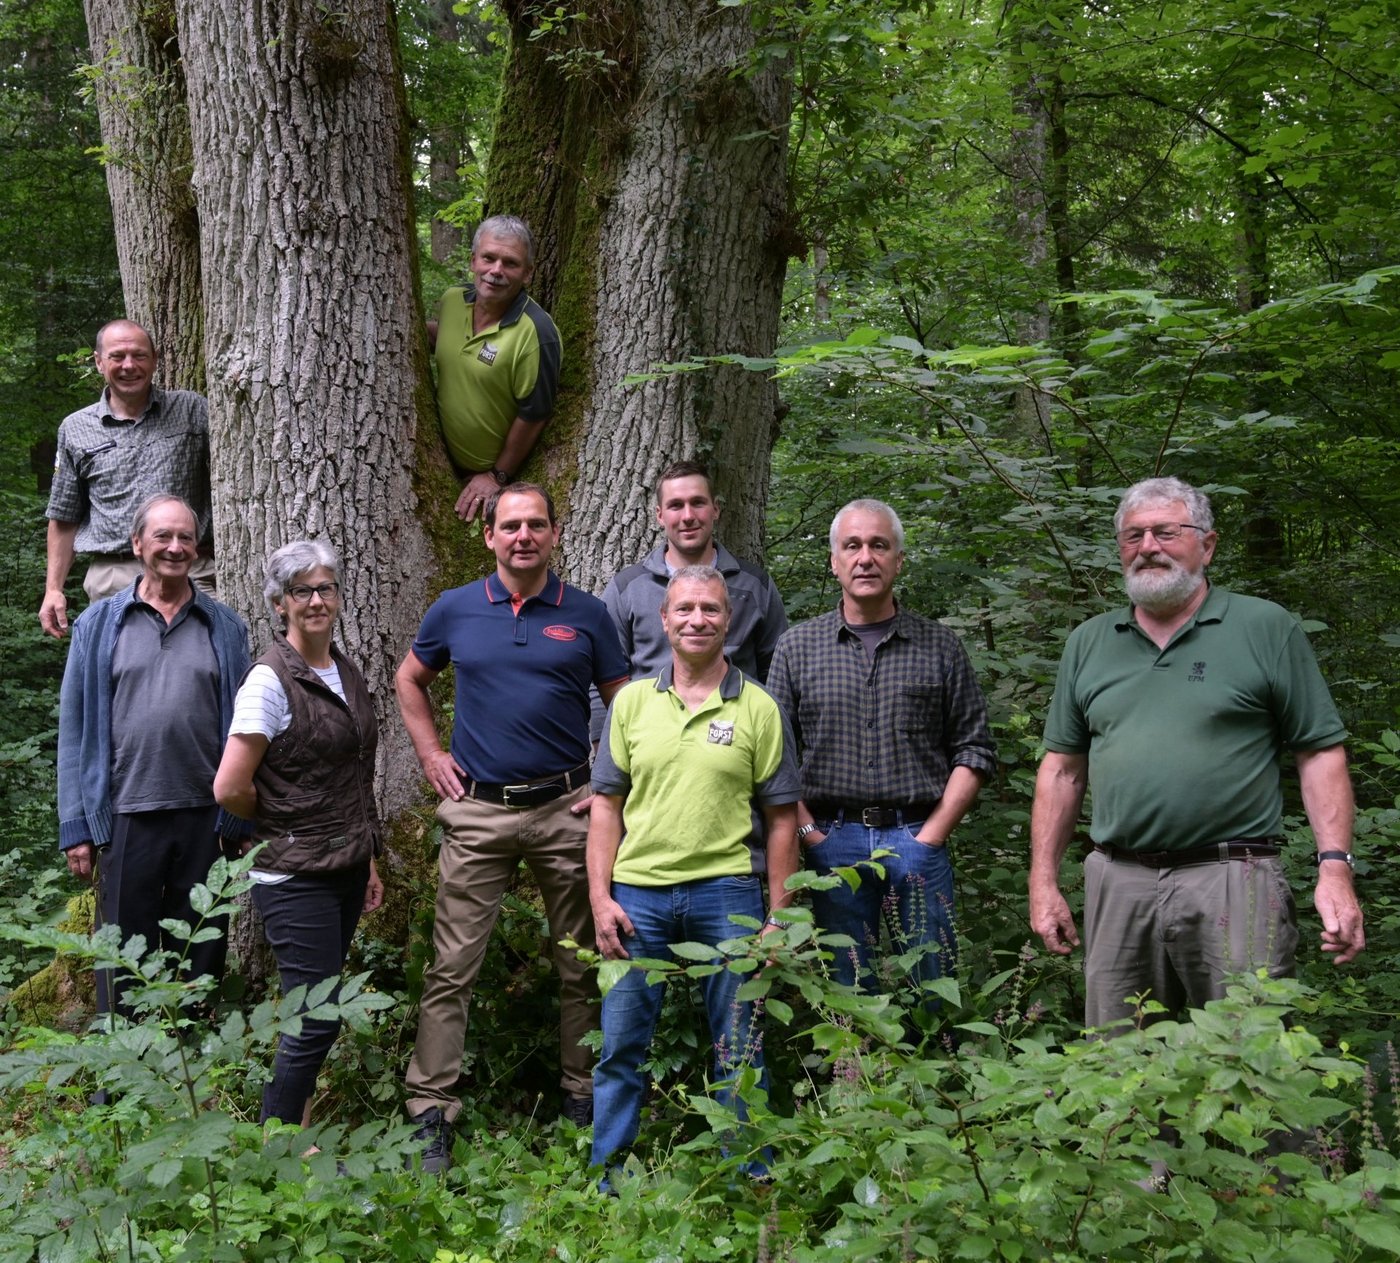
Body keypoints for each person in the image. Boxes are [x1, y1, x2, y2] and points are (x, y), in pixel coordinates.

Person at [1028, 476, 1365, 1030]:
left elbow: (1319, 753)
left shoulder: (1264, 627)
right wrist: (1043, 884)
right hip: (1118, 879)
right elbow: (1062, 770)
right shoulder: (1089, 641)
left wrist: (1335, 871)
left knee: (1250, 1059)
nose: (1148, 547)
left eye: (1166, 531)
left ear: (1207, 545)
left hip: (1234, 876)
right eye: (1132, 536)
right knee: (1119, 1064)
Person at [396, 482, 629, 1173]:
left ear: (556, 532)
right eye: (510, 526)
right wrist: (432, 754)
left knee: (581, 963)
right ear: (490, 536)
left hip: (567, 807)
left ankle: (583, 1097)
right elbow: (410, 680)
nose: (523, 535)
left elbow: (628, 706)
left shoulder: (587, 614)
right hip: (477, 809)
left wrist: (609, 788)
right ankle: (429, 1109)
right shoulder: (456, 608)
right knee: (450, 968)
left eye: (536, 524)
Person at [588, 565, 799, 1179]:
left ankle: (748, 1174)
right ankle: (608, 1176)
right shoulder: (630, 703)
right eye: (684, 610)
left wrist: (779, 915)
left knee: (739, 1044)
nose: (696, 620)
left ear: (728, 620)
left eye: (709, 609)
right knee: (621, 1047)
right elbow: (605, 806)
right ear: (664, 619)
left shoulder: (758, 707)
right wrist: (600, 897)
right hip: (637, 897)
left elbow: (781, 818)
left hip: (727, 893)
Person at [767, 499, 996, 993]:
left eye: (878, 545)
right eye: (852, 545)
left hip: (917, 837)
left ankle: (941, 1064)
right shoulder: (796, 648)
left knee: (934, 982)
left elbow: (974, 749)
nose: (865, 557)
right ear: (834, 561)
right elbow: (773, 758)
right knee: (849, 988)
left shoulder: (939, 646)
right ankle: (859, 1070)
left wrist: (931, 837)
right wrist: (810, 835)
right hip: (832, 840)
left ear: (898, 560)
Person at [213, 540, 385, 1127]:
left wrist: (370, 860)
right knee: (315, 1016)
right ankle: (279, 1140)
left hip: (344, 865)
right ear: (281, 603)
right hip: (293, 874)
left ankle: (299, 1130)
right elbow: (229, 786)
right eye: (301, 591)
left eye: (326, 588)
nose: (316, 600)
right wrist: (283, 816)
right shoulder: (268, 682)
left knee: (320, 1010)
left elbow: (352, 779)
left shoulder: (342, 670)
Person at [57, 494, 249, 1017]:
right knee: (121, 957)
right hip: (125, 816)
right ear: (138, 544)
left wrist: (240, 814)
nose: (175, 546)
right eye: (163, 536)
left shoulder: (225, 627)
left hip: (206, 819)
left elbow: (248, 730)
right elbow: (74, 727)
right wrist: (75, 824)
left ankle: (191, 1073)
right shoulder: (98, 626)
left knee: (200, 956)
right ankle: (120, 1078)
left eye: (185, 536)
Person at [42, 319, 214, 637]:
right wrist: (54, 589)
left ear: (155, 359)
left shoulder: (192, 411)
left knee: (203, 677)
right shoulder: (76, 428)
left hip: (192, 571)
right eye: (117, 356)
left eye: (139, 355)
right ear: (98, 362)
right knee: (117, 679)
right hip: (113, 576)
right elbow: (64, 516)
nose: (129, 365)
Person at [599, 458, 788, 688]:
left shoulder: (756, 586)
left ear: (715, 509)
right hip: (651, 722)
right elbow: (604, 676)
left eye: (697, 503)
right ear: (660, 515)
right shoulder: (627, 589)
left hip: (735, 721)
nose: (687, 516)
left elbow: (778, 674)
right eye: (676, 505)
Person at [429, 216, 561, 523]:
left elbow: (536, 413)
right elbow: (450, 340)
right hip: (435, 459)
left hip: (490, 476)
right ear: (474, 260)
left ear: (528, 273)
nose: (496, 271)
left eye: (510, 263)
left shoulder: (536, 333)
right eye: (488, 258)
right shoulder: (452, 301)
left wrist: (498, 475)